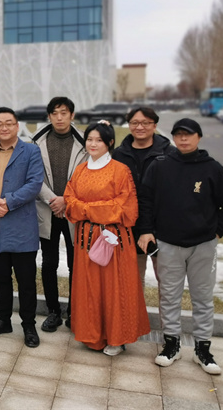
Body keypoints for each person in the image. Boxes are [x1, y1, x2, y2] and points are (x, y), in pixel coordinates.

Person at [137, 118, 223, 375]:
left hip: (203, 245)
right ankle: (172, 344)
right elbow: (145, 200)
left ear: (198, 137)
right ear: (173, 137)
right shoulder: (160, 165)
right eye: (179, 134)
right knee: (169, 295)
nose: (183, 139)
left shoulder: (212, 168)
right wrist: (147, 230)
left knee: (202, 297)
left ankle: (202, 348)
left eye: (189, 134)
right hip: (168, 243)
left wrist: (217, 233)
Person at [64, 121, 150, 355]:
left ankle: (116, 338)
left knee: (114, 287)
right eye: (89, 139)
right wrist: (93, 208)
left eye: (99, 140)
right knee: (89, 287)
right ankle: (92, 335)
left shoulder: (120, 170)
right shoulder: (80, 170)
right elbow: (69, 202)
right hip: (85, 238)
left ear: (110, 143)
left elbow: (124, 208)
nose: (93, 144)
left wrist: (86, 208)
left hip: (113, 238)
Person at [0, 107, 44, 348]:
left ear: (17, 126)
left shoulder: (31, 151)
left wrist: (7, 202)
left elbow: (34, 183)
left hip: (21, 226)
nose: (4, 127)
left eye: (8, 123)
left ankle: (29, 325)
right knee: (0, 278)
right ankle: (3, 320)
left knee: (26, 280)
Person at [32, 96, 87, 332]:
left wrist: (67, 200)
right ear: (49, 116)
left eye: (64, 112)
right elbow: (34, 177)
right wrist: (53, 200)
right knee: (49, 263)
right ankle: (53, 311)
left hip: (75, 211)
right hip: (48, 209)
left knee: (77, 264)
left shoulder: (85, 142)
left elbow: (89, 176)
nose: (60, 117)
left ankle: (74, 312)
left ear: (72, 115)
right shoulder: (37, 142)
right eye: (55, 113)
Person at [112, 106, 170, 289]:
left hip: (163, 227)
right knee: (133, 282)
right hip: (130, 227)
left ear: (155, 125)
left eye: (145, 123)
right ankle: (137, 310)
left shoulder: (169, 154)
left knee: (167, 282)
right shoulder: (119, 154)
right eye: (135, 123)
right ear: (129, 125)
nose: (140, 127)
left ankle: (165, 312)